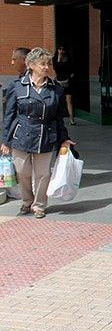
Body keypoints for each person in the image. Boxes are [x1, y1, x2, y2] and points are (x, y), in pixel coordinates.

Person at [1, 47, 75, 219]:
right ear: (31, 65)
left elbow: (58, 118)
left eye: (48, 63)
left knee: (43, 174)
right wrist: (5, 140)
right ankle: (27, 201)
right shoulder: (17, 86)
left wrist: (64, 139)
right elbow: (9, 115)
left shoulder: (55, 89)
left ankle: (39, 205)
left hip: (46, 134)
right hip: (21, 134)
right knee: (22, 171)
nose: (46, 67)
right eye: (42, 64)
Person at [53, 46, 76, 125]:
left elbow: (73, 71)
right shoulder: (55, 59)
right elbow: (56, 68)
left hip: (67, 82)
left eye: (63, 49)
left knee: (69, 100)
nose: (61, 51)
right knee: (57, 100)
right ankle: (56, 118)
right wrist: (59, 58)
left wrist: (69, 77)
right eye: (59, 49)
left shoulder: (69, 59)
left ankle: (71, 119)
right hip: (59, 81)